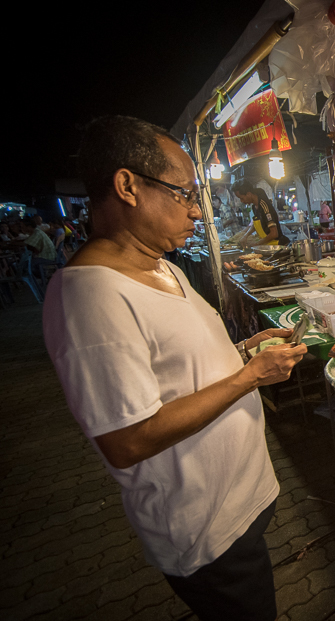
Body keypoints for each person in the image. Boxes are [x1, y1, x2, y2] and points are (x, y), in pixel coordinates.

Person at [42, 116, 306, 621]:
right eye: (182, 194)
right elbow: (128, 439)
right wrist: (249, 376)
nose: (196, 212)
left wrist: (247, 348)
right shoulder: (90, 296)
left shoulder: (162, 265)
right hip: (205, 528)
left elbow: (182, 365)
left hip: (241, 501)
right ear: (127, 187)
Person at [232, 180, 290, 247]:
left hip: (277, 246)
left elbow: (274, 234)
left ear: (248, 194)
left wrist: (257, 244)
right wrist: (245, 235)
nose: (241, 201)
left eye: (242, 198)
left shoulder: (264, 206)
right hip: (267, 246)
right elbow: (256, 224)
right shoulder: (254, 206)